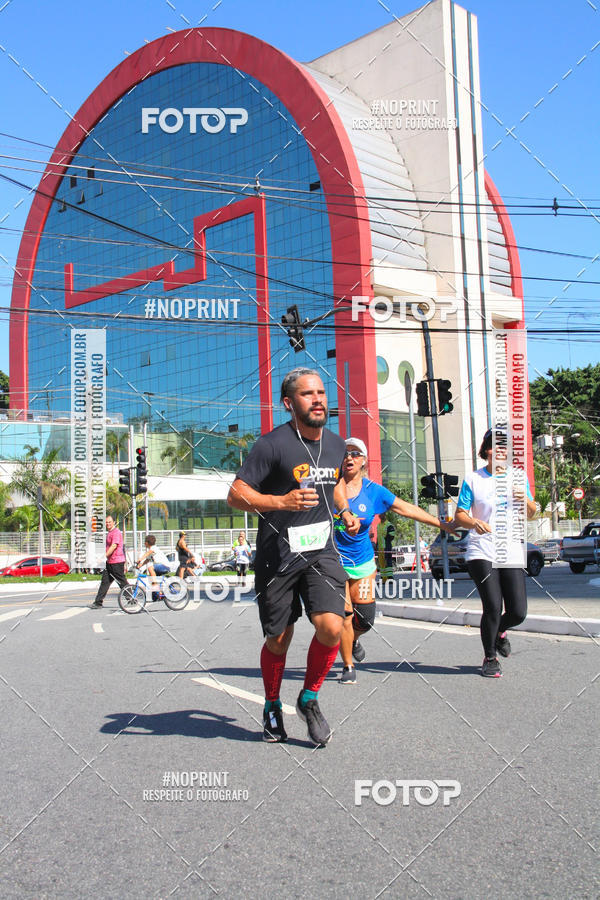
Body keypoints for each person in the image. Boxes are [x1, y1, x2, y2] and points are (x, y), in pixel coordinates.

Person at [226, 367, 359, 747]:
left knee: (332, 626)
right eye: (307, 394)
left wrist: (345, 512)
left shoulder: (335, 446)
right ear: (289, 403)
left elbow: (331, 487)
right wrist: (279, 501)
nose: (318, 399)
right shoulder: (271, 445)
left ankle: (309, 698)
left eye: (321, 392)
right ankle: (271, 703)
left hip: (321, 550)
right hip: (277, 554)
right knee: (279, 639)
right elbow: (235, 495)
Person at [334, 438, 457, 684]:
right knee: (344, 615)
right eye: (345, 453)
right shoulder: (330, 487)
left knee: (365, 619)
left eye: (355, 454)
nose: (349, 458)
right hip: (333, 562)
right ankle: (348, 665)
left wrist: (442, 524)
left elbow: (407, 509)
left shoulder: (374, 492)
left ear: (364, 460)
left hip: (363, 563)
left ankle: (354, 639)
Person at [454, 428, 537, 678]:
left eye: (504, 447)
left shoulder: (518, 477)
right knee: (492, 605)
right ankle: (490, 657)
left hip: (510, 548)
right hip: (482, 549)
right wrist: (473, 523)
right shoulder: (474, 479)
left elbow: (531, 513)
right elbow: (460, 514)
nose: (500, 451)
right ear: (487, 451)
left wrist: (526, 500)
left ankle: (499, 631)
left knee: (518, 612)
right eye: (495, 446)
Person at [90, 514, 129, 608]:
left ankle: (131, 599)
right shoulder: (109, 533)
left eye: (110, 522)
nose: (108, 524)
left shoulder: (116, 532)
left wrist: (104, 557)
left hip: (117, 562)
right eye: (106, 522)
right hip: (110, 562)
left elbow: (114, 546)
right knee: (105, 582)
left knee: (122, 582)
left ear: (114, 523)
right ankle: (98, 603)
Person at [136, 535, 171, 601]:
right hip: (160, 566)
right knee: (151, 579)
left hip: (165, 566)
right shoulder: (152, 550)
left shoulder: (153, 548)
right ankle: (157, 595)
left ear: (147, 543)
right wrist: (140, 565)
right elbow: (147, 560)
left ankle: (157, 589)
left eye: (144, 542)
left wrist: (140, 559)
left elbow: (147, 553)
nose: (144, 544)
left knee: (150, 568)